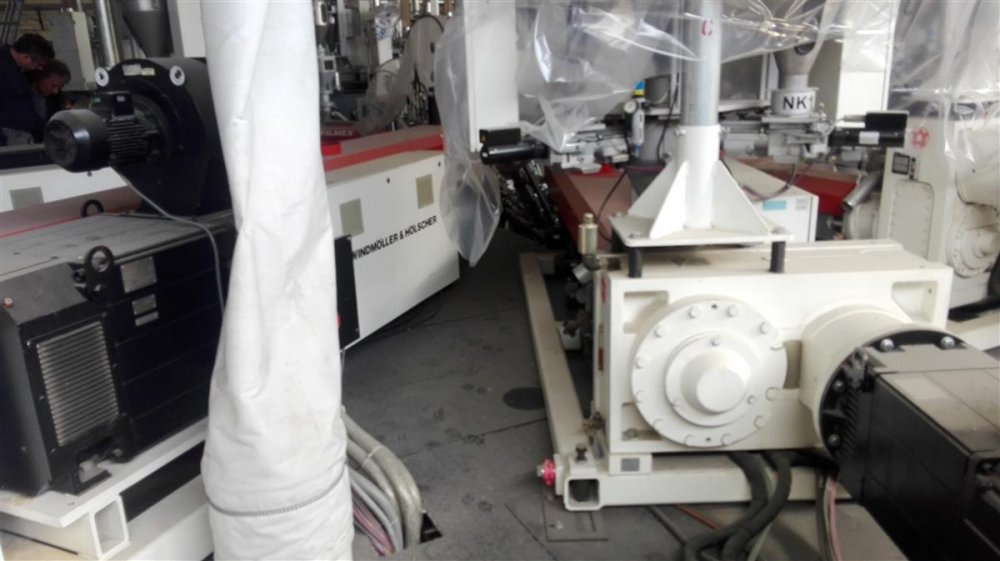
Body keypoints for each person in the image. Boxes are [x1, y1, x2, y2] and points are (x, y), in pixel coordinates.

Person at [0, 33, 55, 146]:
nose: (39, 68)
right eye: (39, 64)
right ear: (27, 57)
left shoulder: (17, 70)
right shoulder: (4, 69)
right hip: (8, 136)